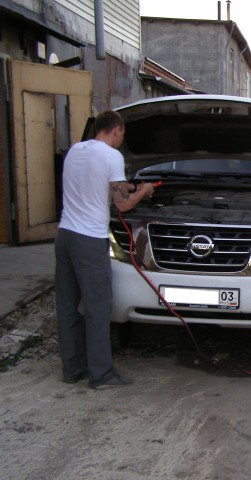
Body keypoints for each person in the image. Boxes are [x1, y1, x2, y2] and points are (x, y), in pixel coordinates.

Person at [55, 110, 154, 389]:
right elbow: (122, 204)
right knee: (98, 308)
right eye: (122, 134)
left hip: (65, 236)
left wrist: (125, 187)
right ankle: (101, 375)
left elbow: (92, 185)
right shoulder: (112, 156)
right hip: (89, 239)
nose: (122, 138)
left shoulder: (75, 150)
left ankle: (72, 369)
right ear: (117, 130)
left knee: (67, 306)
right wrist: (143, 191)